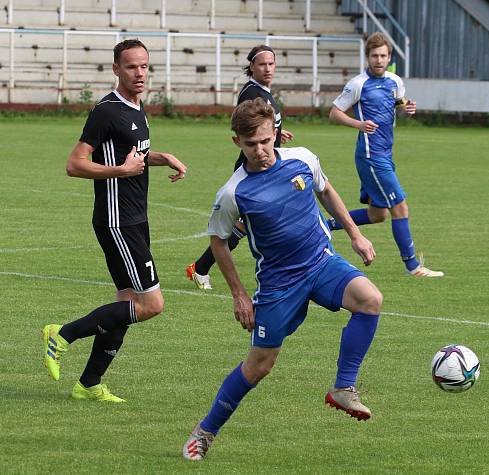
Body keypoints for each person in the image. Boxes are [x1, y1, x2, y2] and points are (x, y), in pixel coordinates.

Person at [182, 98, 383, 461]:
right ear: (237, 143)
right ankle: (206, 430)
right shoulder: (233, 193)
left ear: (274, 132)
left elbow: (326, 190)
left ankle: (343, 387)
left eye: (264, 140)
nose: (259, 150)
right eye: (250, 144)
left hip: (321, 263)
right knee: (259, 366)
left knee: (370, 299)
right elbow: (218, 241)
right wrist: (240, 295)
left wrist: (355, 234)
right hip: (278, 286)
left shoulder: (303, 158)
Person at [42, 39, 187, 402]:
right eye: (132, 67)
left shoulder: (137, 108)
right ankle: (62, 334)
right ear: (116, 69)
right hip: (117, 220)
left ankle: (89, 383)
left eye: (144, 66)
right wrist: (120, 171)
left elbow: (134, 155)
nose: (140, 73)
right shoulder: (106, 111)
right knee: (152, 305)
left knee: (125, 301)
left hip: (137, 217)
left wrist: (162, 156)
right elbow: (75, 164)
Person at [328, 32, 443, 277]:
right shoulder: (358, 84)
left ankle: (325, 225)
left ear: (389, 57)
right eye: (374, 56)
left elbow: (399, 110)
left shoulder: (395, 81)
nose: (378, 60)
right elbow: (334, 113)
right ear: (367, 57)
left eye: (383, 55)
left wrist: (407, 110)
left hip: (385, 154)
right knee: (400, 207)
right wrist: (358, 124)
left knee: (377, 214)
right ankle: (413, 266)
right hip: (371, 157)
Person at [186, 45, 294, 290]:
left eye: (271, 63)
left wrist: (278, 134)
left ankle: (200, 268)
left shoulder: (263, 92)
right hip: (254, 167)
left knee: (246, 223)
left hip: (269, 166)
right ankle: (200, 269)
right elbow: (247, 127)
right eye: (262, 64)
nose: (268, 68)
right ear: (252, 67)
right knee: (248, 222)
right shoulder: (252, 93)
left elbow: (263, 124)